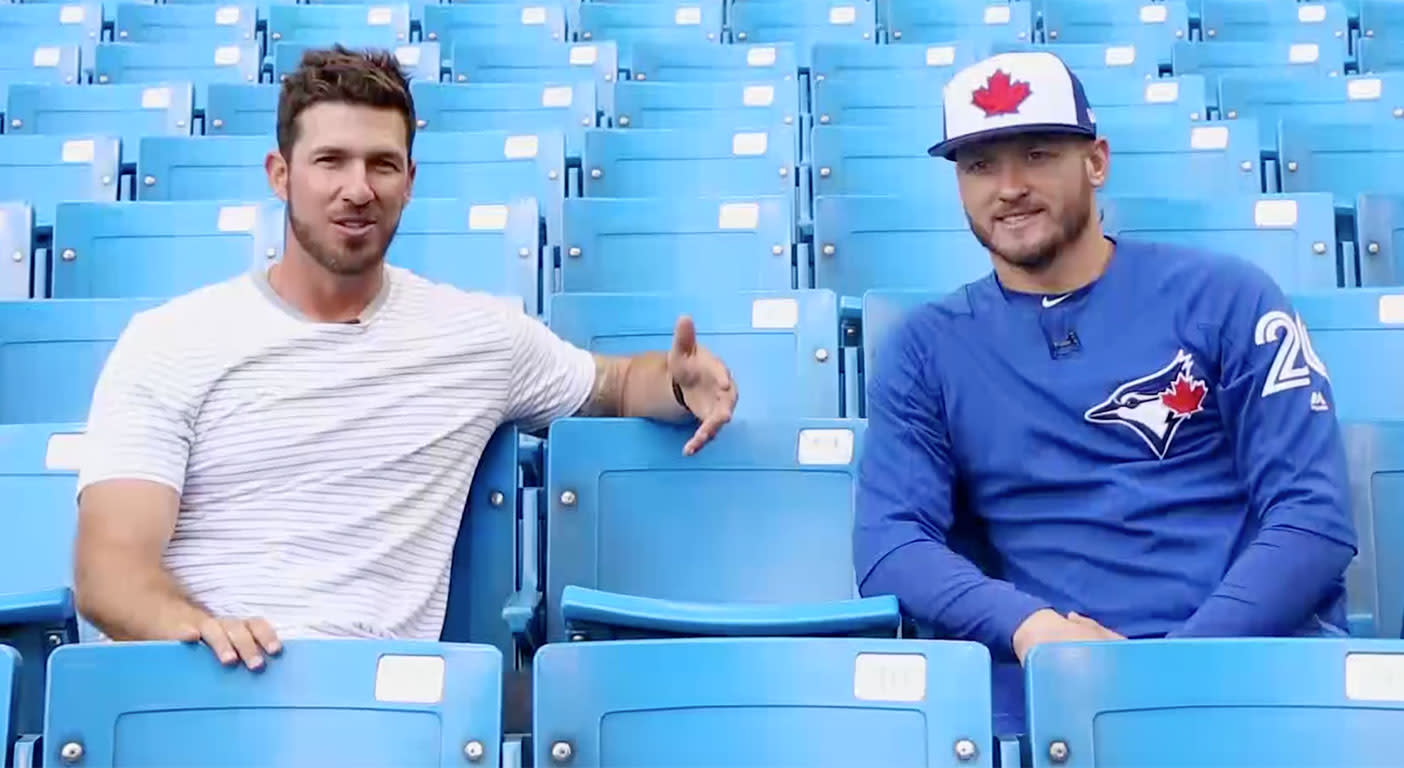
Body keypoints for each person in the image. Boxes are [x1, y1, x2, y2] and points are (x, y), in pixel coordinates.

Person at [73, 47, 738, 671]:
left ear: (410, 181)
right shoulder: (170, 340)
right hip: (195, 678)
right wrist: (208, 637)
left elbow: (616, 386)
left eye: (382, 164)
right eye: (330, 161)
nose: (358, 188)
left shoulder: (476, 337)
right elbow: (110, 575)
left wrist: (679, 386)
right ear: (281, 175)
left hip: (372, 703)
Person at [852, 51, 1356, 733]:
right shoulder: (923, 349)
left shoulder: (1227, 297)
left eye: (1037, 155)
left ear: (1096, 161)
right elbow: (890, 544)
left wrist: (1173, 672)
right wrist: (1027, 625)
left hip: (1243, 671)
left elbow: (1310, 517)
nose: (1008, 187)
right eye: (979, 166)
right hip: (1050, 689)